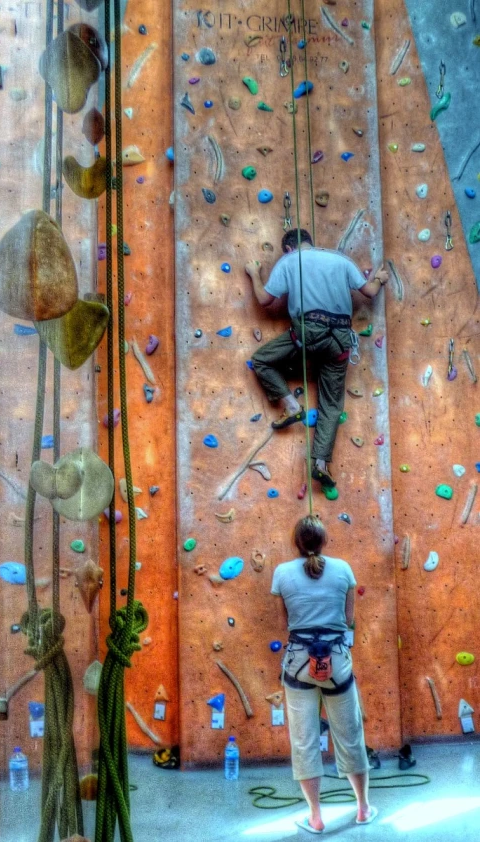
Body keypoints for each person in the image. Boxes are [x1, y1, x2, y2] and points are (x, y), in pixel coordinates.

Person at [245, 229, 388, 487]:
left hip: (307, 333)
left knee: (262, 360)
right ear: (310, 241)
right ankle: (321, 463)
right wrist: (379, 278)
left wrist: (254, 273)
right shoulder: (341, 260)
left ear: (289, 248)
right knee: (331, 405)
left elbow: (265, 299)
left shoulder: (289, 261)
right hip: (340, 340)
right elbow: (369, 291)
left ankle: (291, 406)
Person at [271, 514, 376, 832]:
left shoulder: (282, 573)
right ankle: (362, 808)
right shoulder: (343, 569)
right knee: (350, 734)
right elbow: (348, 619)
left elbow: (284, 621)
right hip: (337, 661)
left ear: (296, 543)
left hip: (299, 662)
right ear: (324, 541)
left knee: (303, 740)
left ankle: (315, 817)